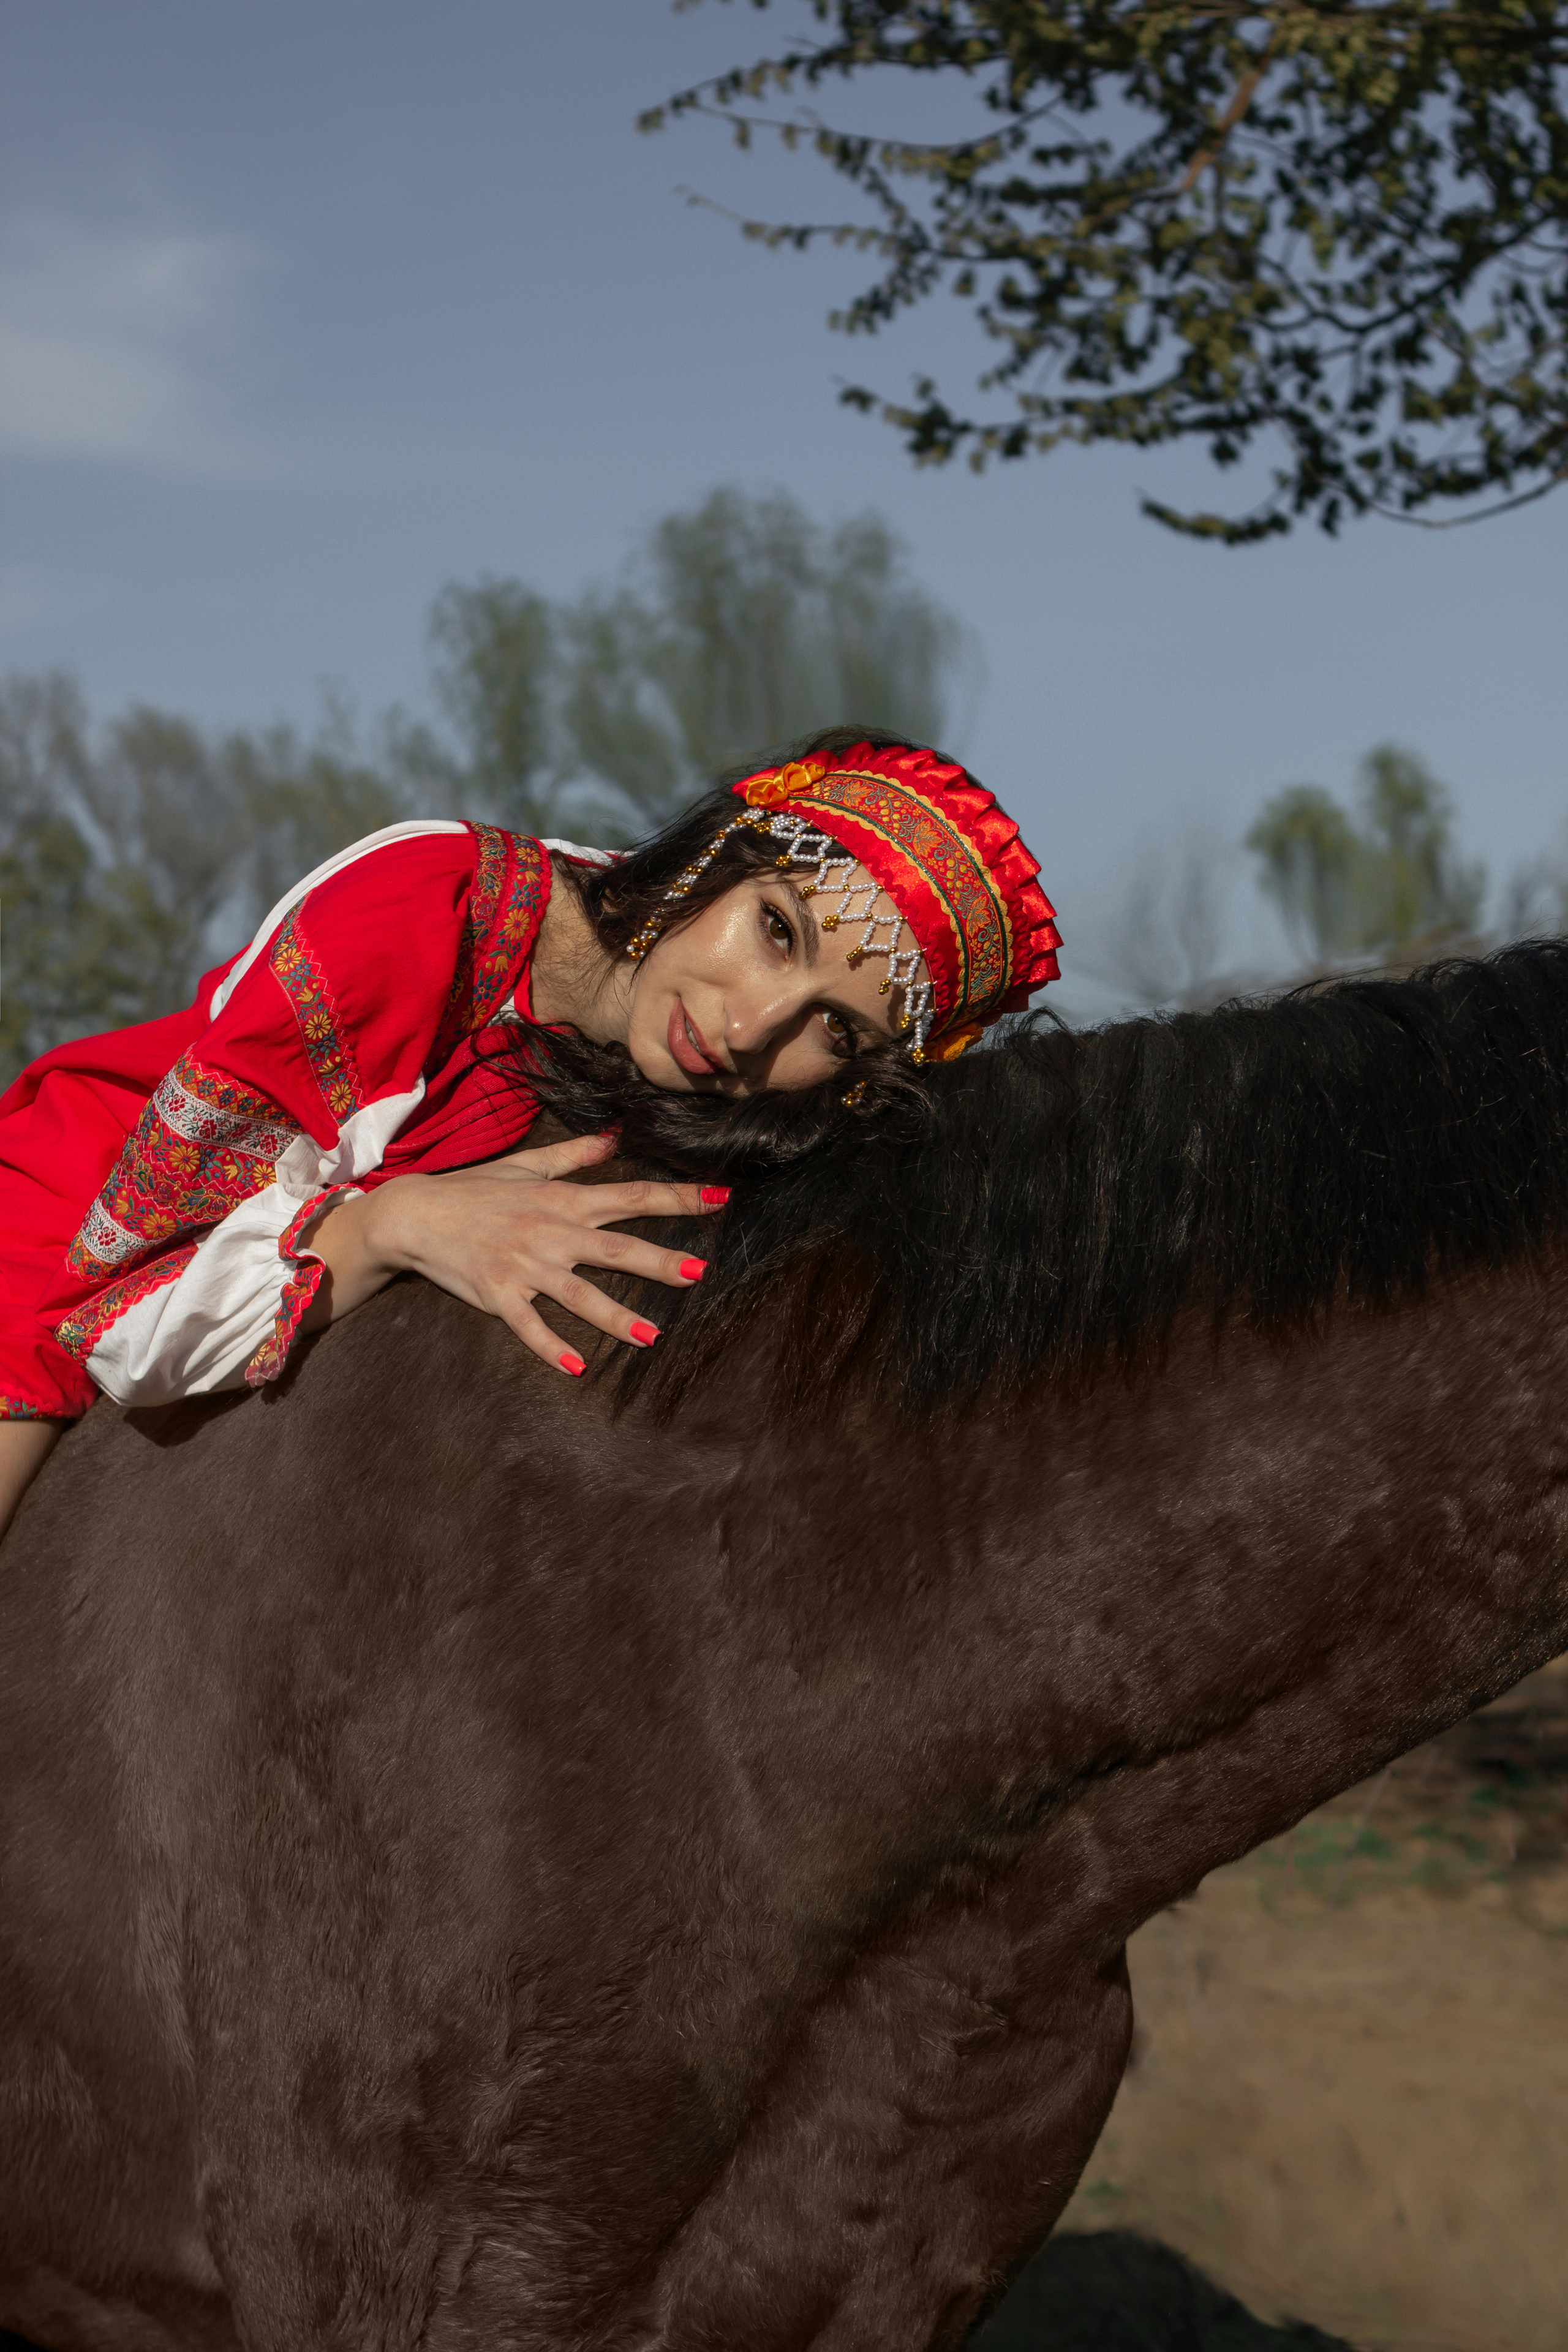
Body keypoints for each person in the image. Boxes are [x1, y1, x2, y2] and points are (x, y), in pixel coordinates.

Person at [0, 726, 1060, 1536]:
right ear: (719, 860)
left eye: (835, 1030)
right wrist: (391, 1225)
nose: (750, 1027)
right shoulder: (415, 910)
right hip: (71, 1225)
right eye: (777, 930)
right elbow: (125, 1319)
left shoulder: (737, 1114)